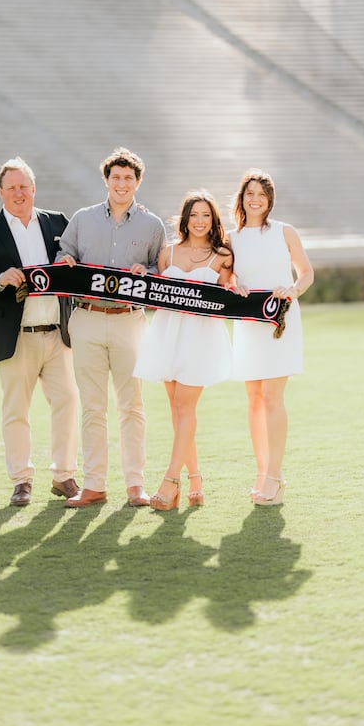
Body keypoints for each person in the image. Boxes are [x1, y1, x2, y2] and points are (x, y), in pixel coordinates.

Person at [0, 157, 80, 507]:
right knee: (16, 410)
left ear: (34, 188)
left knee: (68, 402)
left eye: (24, 186)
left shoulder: (57, 222)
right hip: (15, 335)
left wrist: (69, 264)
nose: (19, 193)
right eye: (11, 187)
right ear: (1, 192)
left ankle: (64, 476)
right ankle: (22, 480)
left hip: (58, 332)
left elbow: (77, 262)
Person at [57, 147, 166, 508]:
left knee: (132, 406)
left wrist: (146, 274)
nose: (122, 184)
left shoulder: (152, 225)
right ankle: (94, 485)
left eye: (128, 178)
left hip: (128, 321)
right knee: (92, 407)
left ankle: (135, 484)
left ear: (137, 183)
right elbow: (62, 258)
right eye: (116, 177)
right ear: (106, 180)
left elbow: (161, 273)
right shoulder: (83, 218)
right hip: (86, 317)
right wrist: (67, 261)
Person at [133, 191, 234, 510]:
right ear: (185, 219)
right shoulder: (168, 254)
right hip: (168, 334)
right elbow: (156, 289)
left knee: (185, 407)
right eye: (194, 215)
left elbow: (226, 297)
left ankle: (170, 480)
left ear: (213, 219)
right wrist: (143, 274)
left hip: (201, 337)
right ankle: (196, 481)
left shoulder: (223, 256)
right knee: (177, 411)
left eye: (206, 215)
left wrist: (236, 285)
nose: (200, 221)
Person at [230, 169, 314, 506]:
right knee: (253, 398)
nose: (255, 199)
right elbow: (226, 276)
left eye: (261, 195)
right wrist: (233, 284)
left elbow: (306, 273)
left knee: (272, 396)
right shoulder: (232, 238)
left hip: (280, 321)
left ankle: (275, 477)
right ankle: (262, 472)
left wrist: (292, 290)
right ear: (242, 197)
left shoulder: (285, 232)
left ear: (269, 200)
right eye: (249, 193)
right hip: (248, 324)